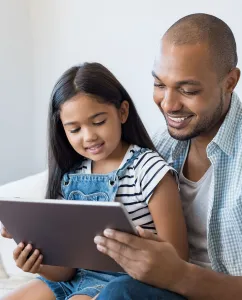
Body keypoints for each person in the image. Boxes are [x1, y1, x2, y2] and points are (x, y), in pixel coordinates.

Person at [92, 13, 242, 299]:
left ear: (230, 82)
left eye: (188, 90)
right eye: (159, 85)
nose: (168, 104)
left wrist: (179, 275)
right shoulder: (161, 146)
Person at [0, 62, 188, 300]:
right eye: (74, 129)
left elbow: (178, 259)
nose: (89, 136)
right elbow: (66, 271)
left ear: (122, 112)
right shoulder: (71, 176)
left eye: (98, 122)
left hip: (131, 282)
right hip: (76, 281)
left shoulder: (148, 170)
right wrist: (38, 263)